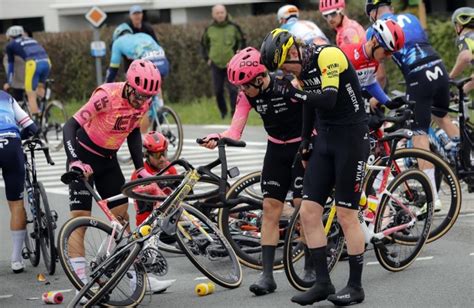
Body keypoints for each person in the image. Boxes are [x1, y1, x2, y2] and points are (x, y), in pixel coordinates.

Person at [260, 29, 369, 306]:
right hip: (326, 139)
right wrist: (305, 141)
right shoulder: (301, 68)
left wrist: (295, 94)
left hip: (351, 139)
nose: (283, 70)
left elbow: (329, 99)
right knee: (309, 212)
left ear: (293, 53)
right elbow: (310, 106)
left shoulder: (328, 55)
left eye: (284, 65)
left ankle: (355, 287)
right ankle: (322, 282)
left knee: (346, 215)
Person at [199, 47, 306, 296]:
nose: (242, 90)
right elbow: (235, 130)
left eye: (245, 85)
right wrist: (218, 137)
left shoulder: (288, 84)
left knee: (303, 206)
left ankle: (311, 262)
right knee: (270, 208)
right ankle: (267, 276)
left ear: (259, 78)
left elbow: (317, 112)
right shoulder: (247, 95)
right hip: (276, 151)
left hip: (301, 149)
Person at [62, 59, 167, 294]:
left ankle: (136, 279)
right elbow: (69, 126)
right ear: (129, 85)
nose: (141, 101)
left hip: (109, 160)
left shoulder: (144, 99)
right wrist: (74, 161)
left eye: (146, 97)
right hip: (83, 157)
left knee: (122, 221)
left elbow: (133, 132)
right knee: (80, 220)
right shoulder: (106, 96)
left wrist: (140, 168)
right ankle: (81, 284)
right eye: (138, 95)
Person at [366, 0, 459, 211]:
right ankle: (466, 160)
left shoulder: (375, 29)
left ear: (372, 13)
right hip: (438, 66)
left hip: (418, 76)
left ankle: (432, 197)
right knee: (442, 117)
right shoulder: (412, 18)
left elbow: (379, 75)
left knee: (419, 134)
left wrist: (375, 99)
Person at [106, 23, 170, 134]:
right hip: (163, 61)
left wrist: (107, 85)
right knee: (156, 86)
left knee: (141, 102)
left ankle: (143, 139)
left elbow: (113, 69)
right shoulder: (142, 35)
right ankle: (160, 107)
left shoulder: (117, 42)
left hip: (148, 61)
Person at [0, 90, 38, 273]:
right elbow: (32, 128)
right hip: (11, 144)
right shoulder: (5, 96)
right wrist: (17, 137)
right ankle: (16, 260)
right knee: (16, 205)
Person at [340, 19, 405, 112]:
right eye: (387, 52)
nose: (389, 57)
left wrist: (387, 102)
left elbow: (370, 83)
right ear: (374, 41)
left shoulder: (374, 60)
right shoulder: (348, 56)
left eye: (392, 53)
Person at [200, 4, 246, 119]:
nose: (220, 15)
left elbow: (242, 41)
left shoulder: (234, 27)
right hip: (215, 64)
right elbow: (203, 45)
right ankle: (223, 113)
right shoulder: (209, 29)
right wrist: (207, 58)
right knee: (218, 90)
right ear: (213, 15)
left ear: (225, 13)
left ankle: (234, 113)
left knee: (233, 90)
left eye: (222, 12)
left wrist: (239, 55)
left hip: (231, 64)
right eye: (217, 13)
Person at [130, 131, 177, 226]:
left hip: (169, 218)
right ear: (147, 155)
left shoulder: (171, 169)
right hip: (149, 222)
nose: (162, 159)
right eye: (157, 155)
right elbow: (143, 210)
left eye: (164, 153)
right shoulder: (138, 175)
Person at [4, 25, 51, 117]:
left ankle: (36, 122)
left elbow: (11, 66)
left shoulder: (10, 45)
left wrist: (9, 82)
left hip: (33, 64)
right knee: (40, 87)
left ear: (9, 36)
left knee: (30, 93)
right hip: (47, 62)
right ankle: (44, 111)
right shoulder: (32, 40)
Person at [121, 5, 161, 71]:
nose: (137, 16)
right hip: (131, 66)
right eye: (134, 14)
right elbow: (118, 46)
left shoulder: (148, 28)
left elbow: (155, 44)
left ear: (142, 15)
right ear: (130, 16)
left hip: (147, 66)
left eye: (139, 13)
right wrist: (126, 54)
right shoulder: (125, 29)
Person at [449, 7, 474, 94]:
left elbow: (464, 56)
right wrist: (461, 92)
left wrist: (449, 78)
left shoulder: (465, 36)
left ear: (458, 25)